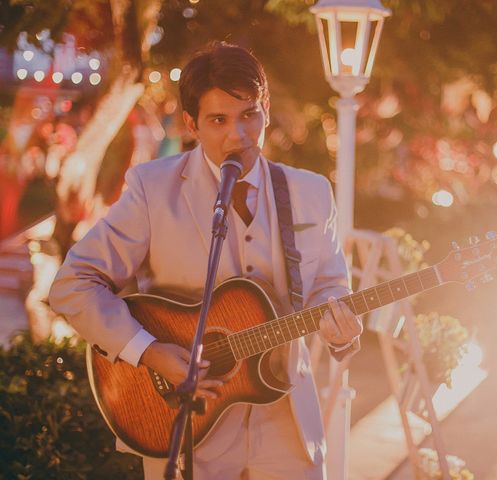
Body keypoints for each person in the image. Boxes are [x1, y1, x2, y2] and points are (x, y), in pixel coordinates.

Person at [48, 41, 362, 479]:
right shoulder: (152, 189)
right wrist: (150, 351)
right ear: (192, 123)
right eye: (219, 120)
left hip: (289, 427)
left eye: (250, 114)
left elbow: (331, 285)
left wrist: (341, 330)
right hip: (186, 426)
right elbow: (72, 284)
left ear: (266, 108)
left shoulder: (310, 192)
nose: (239, 134)